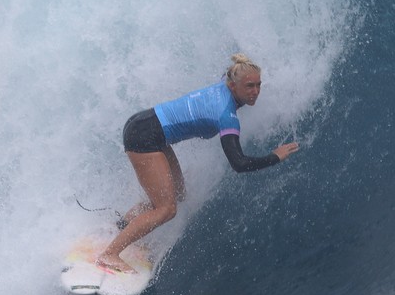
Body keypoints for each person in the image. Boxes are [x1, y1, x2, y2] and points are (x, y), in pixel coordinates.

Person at [96, 53, 300, 273]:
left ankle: (122, 227)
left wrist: (245, 63)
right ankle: (109, 255)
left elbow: (233, 71)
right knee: (167, 209)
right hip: (144, 135)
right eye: (249, 86)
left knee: (177, 195)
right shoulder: (226, 115)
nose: (255, 92)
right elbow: (238, 163)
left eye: (258, 85)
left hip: (149, 126)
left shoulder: (227, 81)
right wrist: (275, 156)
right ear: (233, 86)